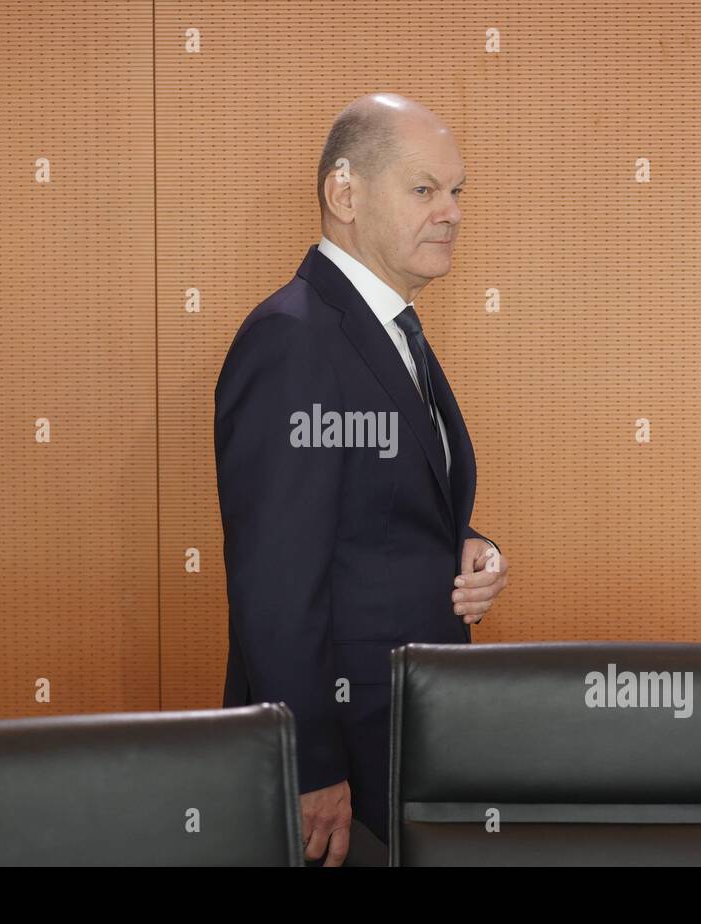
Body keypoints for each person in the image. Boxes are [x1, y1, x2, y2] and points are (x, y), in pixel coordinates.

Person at [214, 92, 509, 866]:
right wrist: (312, 767)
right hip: (339, 781)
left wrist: (468, 545)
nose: (451, 212)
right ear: (343, 194)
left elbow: (376, 514)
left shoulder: (393, 331)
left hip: (408, 747)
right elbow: (275, 582)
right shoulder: (293, 339)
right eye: (424, 190)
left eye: (457, 192)